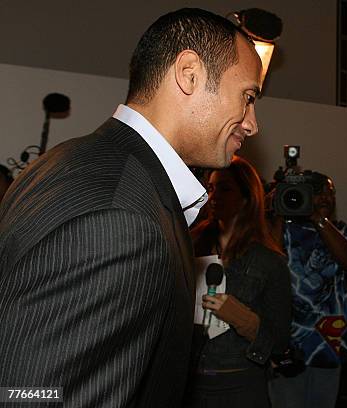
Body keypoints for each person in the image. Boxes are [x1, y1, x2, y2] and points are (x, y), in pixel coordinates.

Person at [0, 8, 261, 407]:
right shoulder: (121, 218)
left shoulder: (74, 159)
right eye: (247, 97)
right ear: (189, 74)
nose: (252, 123)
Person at [184, 156, 291, 408]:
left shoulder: (269, 261)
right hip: (190, 383)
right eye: (210, 188)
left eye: (225, 188)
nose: (214, 196)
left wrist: (246, 321)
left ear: (247, 197)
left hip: (240, 385)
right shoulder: (190, 245)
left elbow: (279, 342)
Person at [268, 172, 347, 408]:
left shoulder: (344, 231)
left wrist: (317, 219)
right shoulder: (284, 231)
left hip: (328, 342)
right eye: (317, 192)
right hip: (286, 343)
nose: (326, 198)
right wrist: (278, 213)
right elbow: (269, 264)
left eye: (330, 192)